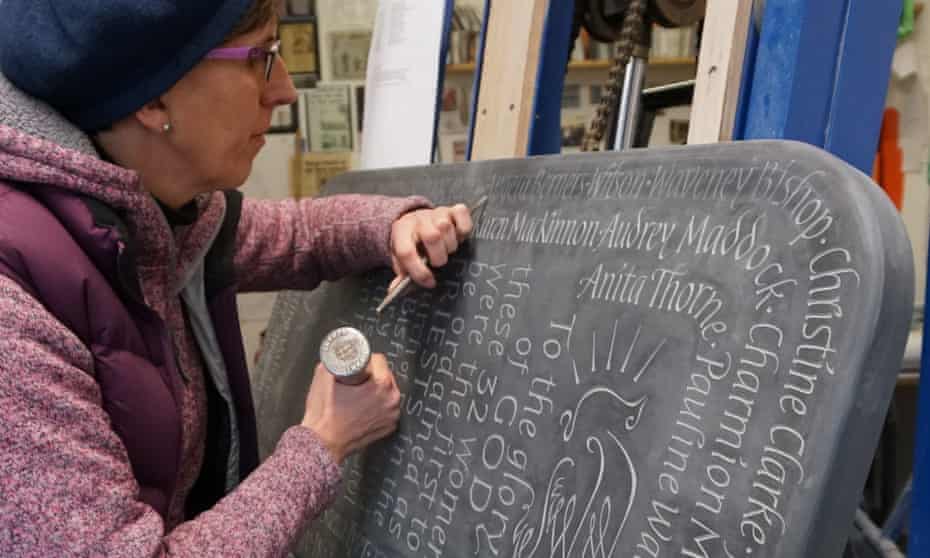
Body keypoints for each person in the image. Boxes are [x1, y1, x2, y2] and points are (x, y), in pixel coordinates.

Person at [0, 1, 473, 555]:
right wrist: (322, 442)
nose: (284, 91)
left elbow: (298, 234)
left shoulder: (146, 217)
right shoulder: (15, 318)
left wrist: (395, 224)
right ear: (154, 97)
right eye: (262, 57)